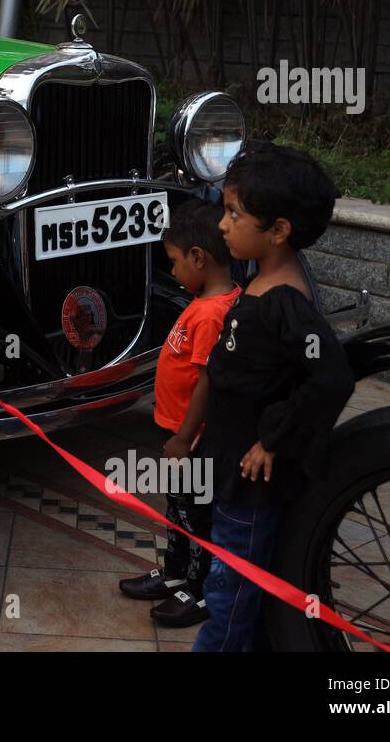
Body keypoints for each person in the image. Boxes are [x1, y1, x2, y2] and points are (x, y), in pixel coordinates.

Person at [191, 142, 355, 652]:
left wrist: (272, 440)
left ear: (279, 230)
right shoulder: (262, 279)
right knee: (231, 583)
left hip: (251, 485)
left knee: (230, 595)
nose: (222, 224)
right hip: (229, 468)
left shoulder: (286, 301)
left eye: (235, 213)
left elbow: (330, 378)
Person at [119, 198, 240, 626]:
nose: (172, 272)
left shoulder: (212, 315)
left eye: (173, 262)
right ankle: (174, 573)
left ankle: (199, 589)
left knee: (195, 515)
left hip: (190, 439)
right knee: (179, 509)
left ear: (198, 258)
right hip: (177, 433)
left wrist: (184, 438)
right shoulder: (205, 302)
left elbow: (208, 379)